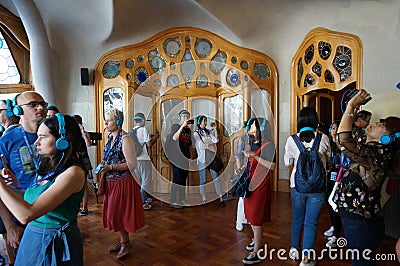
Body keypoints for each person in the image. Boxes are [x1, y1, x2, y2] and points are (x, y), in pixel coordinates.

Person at [0, 113, 86, 265]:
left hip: (54, 242)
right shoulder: (48, 166)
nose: (36, 142)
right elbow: (29, 196)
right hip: (34, 237)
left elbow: (26, 215)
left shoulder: (73, 173)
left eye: (43, 137)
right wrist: (14, 185)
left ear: (62, 141)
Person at [335, 89, 400, 266]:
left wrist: (351, 105)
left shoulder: (378, 153)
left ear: (389, 138)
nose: (377, 122)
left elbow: (343, 140)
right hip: (361, 216)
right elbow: (342, 140)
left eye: (383, 124)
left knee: (361, 261)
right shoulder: (372, 150)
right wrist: (352, 110)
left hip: (360, 218)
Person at [0, 92, 47, 264]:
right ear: (17, 110)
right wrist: (9, 226)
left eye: (43, 103)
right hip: (19, 215)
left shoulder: (54, 137)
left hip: (50, 212)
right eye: (33, 104)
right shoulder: (7, 141)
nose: (41, 107)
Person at [284, 107, 330, 266]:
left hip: (297, 187)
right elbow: (329, 161)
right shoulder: (324, 138)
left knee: (297, 219)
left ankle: (294, 249)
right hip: (318, 188)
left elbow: (287, 163)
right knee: (311, 222)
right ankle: (306, 257)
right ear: (315, 121)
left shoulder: (292, 140)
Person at [100, 108, 145, 260]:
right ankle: (122, 240)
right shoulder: (110, 137)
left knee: (117, 214)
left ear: (118, 122)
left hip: (123, 183)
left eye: (109, 120)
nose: (105, 122)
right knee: (115, 215)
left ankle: (126, 242)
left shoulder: (125, 139)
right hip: (112, 183)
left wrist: (111, 167)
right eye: (106, 119)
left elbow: (132, 164)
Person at [242, 118, 276, 264]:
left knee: (256, 218)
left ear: (261, 128)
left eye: (254, 124)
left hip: (260, 186)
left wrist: (255, 156)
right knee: (249, 215)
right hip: (249, 184)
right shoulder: (252, 143)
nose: (250, 126)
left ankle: (256, 251)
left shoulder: (268, 145)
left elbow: (273, 166)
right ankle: (257, 240)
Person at [193, 115, 224, 206]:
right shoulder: (196, 133)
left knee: (216, 178)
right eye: (203, 121)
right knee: (203, 179)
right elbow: (201, 145)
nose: (205, 123)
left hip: (211, 158)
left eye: (206, 121)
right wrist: (209, 141)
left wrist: (215, 130)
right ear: (199, 122)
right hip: (202, 159)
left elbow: (216, 140)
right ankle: (204, 199)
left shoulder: (208, 132)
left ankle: (221, 198)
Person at [131, 112, 159, 210]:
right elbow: (149, 144)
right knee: (146, 181)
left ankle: (137, 201)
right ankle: (142, 203)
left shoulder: (131, 131)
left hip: (134, 160)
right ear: (142, 121)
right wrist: (155, 137)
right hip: (144, 159)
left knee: (138, 181)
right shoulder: (143, 130)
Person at [167, 109, 193, 208]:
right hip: (176, 158)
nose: (186, 118)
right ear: (180, 118)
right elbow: (175, 138)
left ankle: (182, 199)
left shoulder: (188, 130)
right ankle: (173, 200)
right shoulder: (175, 126)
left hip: (185, 158)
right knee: (177, 179)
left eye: (187, 116)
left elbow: (189, 144)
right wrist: (182, 126)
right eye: (184, 117)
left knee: (183, 179)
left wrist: (191, 155)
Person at [323, 120, 343, 248]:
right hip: (330, 176)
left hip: (341, 177)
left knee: (336, 204)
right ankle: (334, 225)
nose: (333, 130)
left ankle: (337, 233)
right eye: (332, 128)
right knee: (329, 202)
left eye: (336, 128)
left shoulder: (343, 143)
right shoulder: (327, 142)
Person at [72, 114, 93, 216]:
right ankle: (76, 206)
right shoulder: (70, 134)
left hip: (83, 159)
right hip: (74, 160)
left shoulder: (84, 133)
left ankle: (85, 207)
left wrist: (83, 133)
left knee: (84, 184)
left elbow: (89, 144)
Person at [235, 130, 249, 231]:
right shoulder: (242, 139)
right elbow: (238, 156)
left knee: (249, 196)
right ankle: (239, 221)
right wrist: (240, 170)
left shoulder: (257, 138)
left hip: (253, 171)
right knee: (242, 197)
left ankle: (247, 218)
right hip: (244, 171)